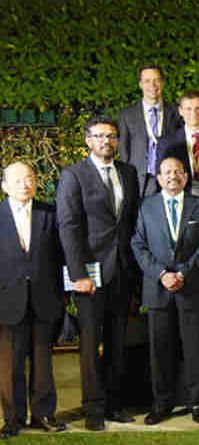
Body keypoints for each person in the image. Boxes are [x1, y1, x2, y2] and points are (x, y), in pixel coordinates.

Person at [57, 117, 139, 431]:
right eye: (100, 136)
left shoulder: (128, 173)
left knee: (117, 341)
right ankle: (93, 408)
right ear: (88, 140)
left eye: (112, 136)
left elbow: (129, 223)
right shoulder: (73, 175)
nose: (107, 141)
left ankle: (114, 404)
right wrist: (78, 273)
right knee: (90, 343)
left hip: (120, 270)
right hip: (88, 273)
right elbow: (69, 226)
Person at [130, 157, 199, 425]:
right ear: (158, 177)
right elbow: (138, 244)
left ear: (186, 177)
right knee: (160, 349)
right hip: (158, 289)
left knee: (193, 348)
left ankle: (197, 402)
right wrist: (162, 274)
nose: (173, 176)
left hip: (189, 287)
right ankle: (162, 403)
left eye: (178, 171)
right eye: (167, 172)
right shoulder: (146, 206)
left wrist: (184, 272)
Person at [0, 162, 65, 438]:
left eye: (29, 179)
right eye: (17, 181)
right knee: (9, 365)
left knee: (42, 363)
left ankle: (43, 415)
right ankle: (12, 419)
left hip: (43, 298)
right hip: (7, 300)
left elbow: (60, 255)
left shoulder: (49, 213)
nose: (24, 185)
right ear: (4, 186)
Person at [118, 65, 182, 195]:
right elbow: (123, 149)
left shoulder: (176, 111)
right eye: (147, 81)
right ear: (140, 84)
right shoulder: (127, 114)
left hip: (169, 178)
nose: (152, 85)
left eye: (156, 80)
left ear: (162, 83)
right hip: (138, 178)